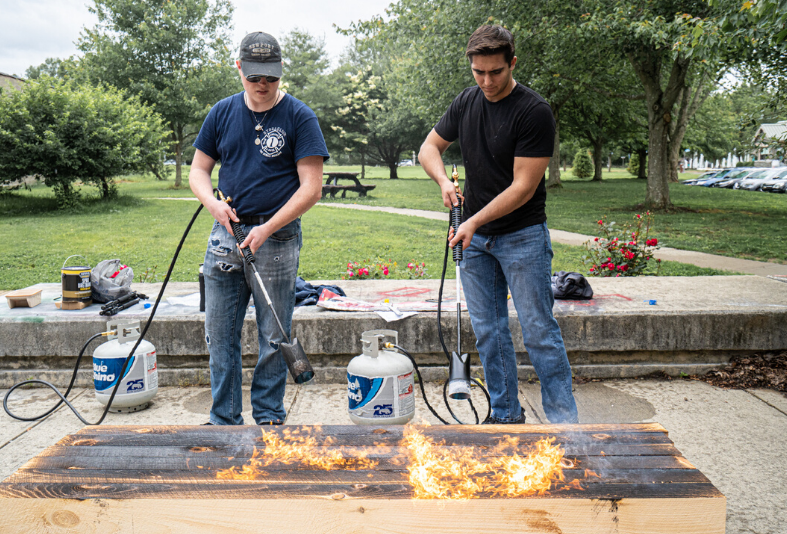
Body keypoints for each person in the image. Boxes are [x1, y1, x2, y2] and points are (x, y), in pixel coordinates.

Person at [418, 25, 578, 424]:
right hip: (477, 240)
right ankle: (505, 415)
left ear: (512, 63)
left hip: (522, 237)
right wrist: (442, 181)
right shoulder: (466, 102)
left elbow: (523, 187)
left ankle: (565, 425)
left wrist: (472, 219)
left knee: (540, 332)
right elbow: (429, 147)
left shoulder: (534, 111)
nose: (486, 81)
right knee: (489, 333)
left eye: (496, 72)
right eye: (478, 72)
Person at [189, 31, 329, 425]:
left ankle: (268, 417)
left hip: (277, 239)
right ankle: (224, 420)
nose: (262, 85)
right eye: (254, 77)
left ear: (281, 71)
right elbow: (199, 170)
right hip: (226, 237)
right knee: (220, 337)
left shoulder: (300, 116)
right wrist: (212, 203)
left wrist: (267, 228)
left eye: (270, 76)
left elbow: (311, 188)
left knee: (273, 338)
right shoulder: (221, 112)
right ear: (239, 69)